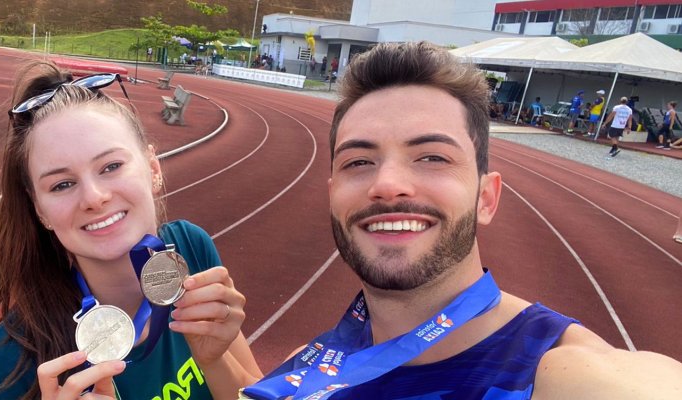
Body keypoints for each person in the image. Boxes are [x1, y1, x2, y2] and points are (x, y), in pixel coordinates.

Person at [240, 42, 682, 400]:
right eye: (358, 161)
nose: (388, 185)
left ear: (486, 199)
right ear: (333, 193)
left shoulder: (562, 372)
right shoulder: (308, 368)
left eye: (432, 157)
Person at [0, 62, 261, 399]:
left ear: (152, 168)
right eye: (63, 184)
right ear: (40, 209)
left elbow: (254, 388)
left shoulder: (190, 249)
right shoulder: (11, 360)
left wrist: (214, 361)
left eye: (111, 166)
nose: (94, 198)